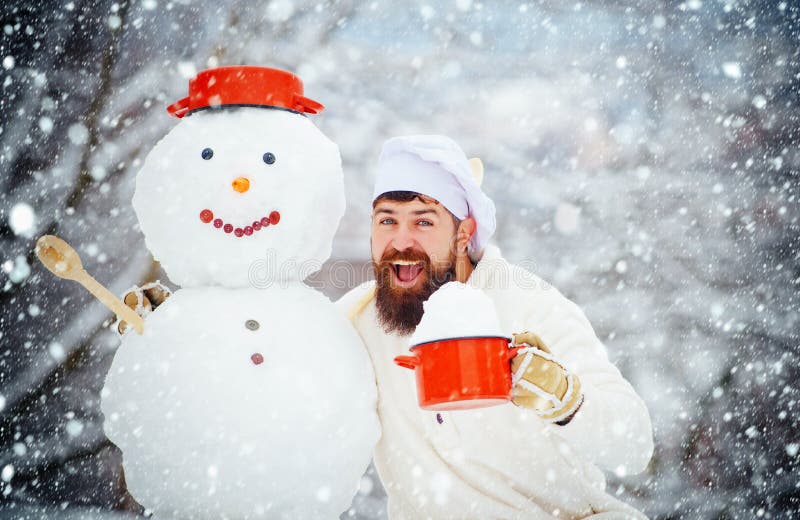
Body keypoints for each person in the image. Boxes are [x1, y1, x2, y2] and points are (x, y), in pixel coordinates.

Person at [337, 135, 654, 519]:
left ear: (463, 234)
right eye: (387, 220)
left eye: (423, 221)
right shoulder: (356, 323)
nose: (401, 240)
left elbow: (635, 445)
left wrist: (566, 400)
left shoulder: (529, 306)